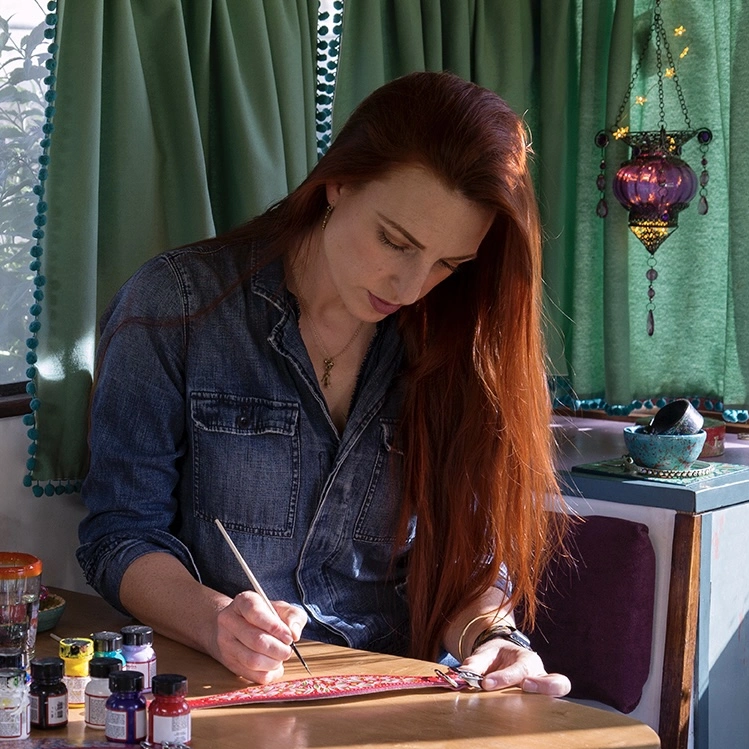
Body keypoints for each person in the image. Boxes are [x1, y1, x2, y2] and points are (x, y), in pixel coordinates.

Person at [77, 71, 570, 696]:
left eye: (449, 263)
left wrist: (491, 639)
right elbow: (118, 534)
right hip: (224, 693)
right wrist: (214, 621)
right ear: (337, 182)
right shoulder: (176, 306)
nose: (410, 286)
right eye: (395, 241)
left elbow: (466, 565)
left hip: (396, 697)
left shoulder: (454, 340)